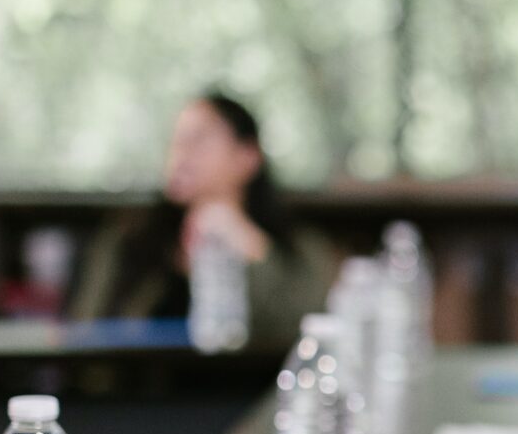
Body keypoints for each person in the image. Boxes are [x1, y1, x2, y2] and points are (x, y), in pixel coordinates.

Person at [69, 91, 337, 335]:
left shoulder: (298, 249)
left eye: (198, 140)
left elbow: (311, 334)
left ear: (248, 156)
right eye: (176, 142)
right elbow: (86, 332)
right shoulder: (128, 240)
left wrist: (251, 245)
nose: (180, 155)